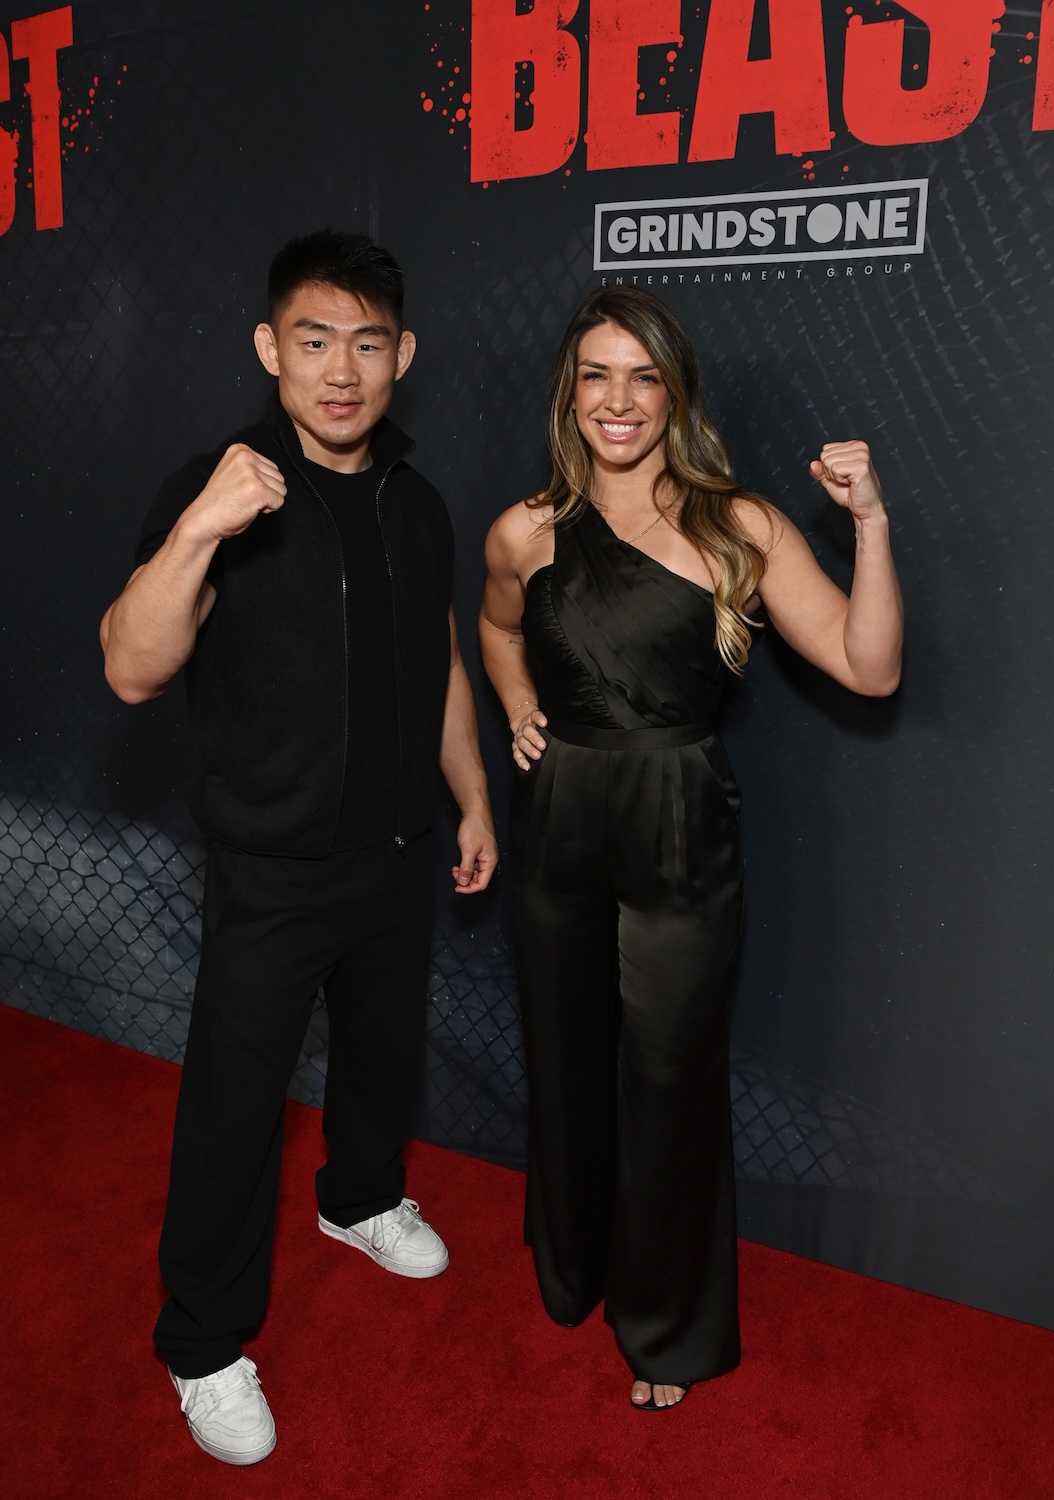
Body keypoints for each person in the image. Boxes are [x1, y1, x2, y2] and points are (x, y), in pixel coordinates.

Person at [100, 230, 498, 1464]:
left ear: (403, 356)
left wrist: (473, 794)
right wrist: (201, 531)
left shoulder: (417, 500)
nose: (342, 371)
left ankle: (362, 1199)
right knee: (233, 1112)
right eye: (314, 341)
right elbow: (131, 666)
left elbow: (438, 658)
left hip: (391, 848)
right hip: (270, 867)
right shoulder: (218, 484)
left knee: (382, 1057)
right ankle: (204, 1343)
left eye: (367, 345)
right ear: (271, 349)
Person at [479, 286, 902, 1413]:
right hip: (558, 818)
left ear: (675, 392)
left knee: (670, 1080)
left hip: (679, 824)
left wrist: (868, 522)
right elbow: (494, 622)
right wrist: (518, 696)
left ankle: (665, 1329)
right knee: (565, 1063)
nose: (618, 401)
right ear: (571, 392)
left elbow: (871, 669)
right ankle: (570, 1269)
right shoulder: (525, 528)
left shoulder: (738, 525)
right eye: (596, 374)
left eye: (642, 376)